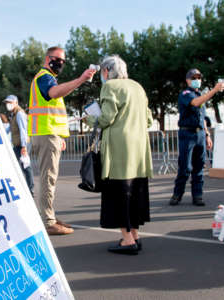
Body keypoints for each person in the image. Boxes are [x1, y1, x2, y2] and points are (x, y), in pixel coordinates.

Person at [85, 55, 153, 255]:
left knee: (118, 192)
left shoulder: (110, 87)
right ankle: (135, 235)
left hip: (119, 147)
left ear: (106, 71)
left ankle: (127, 240)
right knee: (135, 191)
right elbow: (148, 120)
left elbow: (106, 118)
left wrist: (90, 119)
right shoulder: (137, 87)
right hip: (139, 147)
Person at [28, 46, 96, 235]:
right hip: (46, 134)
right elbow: (54, 93)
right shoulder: (44, 77)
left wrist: (60, 136)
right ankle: (48, 221)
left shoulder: (48, 78)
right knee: (47, 178)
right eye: (57, 59)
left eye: (63, 61)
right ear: (47, 58)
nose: (60, 63)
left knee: (49, 177)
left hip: (50, 134)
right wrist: (82, 79)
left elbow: (52, 109)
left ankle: (49, 215)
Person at [169, 69, 224, 206]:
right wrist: (214, 90)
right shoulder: (186, 94)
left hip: (199, 133)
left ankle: (198, 195)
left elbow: (203, 118)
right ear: (187, 80)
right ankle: (177, 194)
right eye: (194, 77)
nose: (197, 79)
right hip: (187, 133)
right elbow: (195, 103)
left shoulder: (200, 95)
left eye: (199, 77)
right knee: (185, 167)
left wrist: (207, 135)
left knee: (199, 167)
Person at [2, 95, 35, 197]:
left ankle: (30, 189)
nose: (8, 105)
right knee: (19, 166)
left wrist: (24, 147)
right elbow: (9, 129)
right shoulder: (13, 114)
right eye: (7, 103)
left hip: (22, 144)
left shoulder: (19, 114)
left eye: (10, 102)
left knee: (25, 166)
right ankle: (25, 188)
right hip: (17, 145)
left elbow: (23, 130)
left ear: (16, 102)